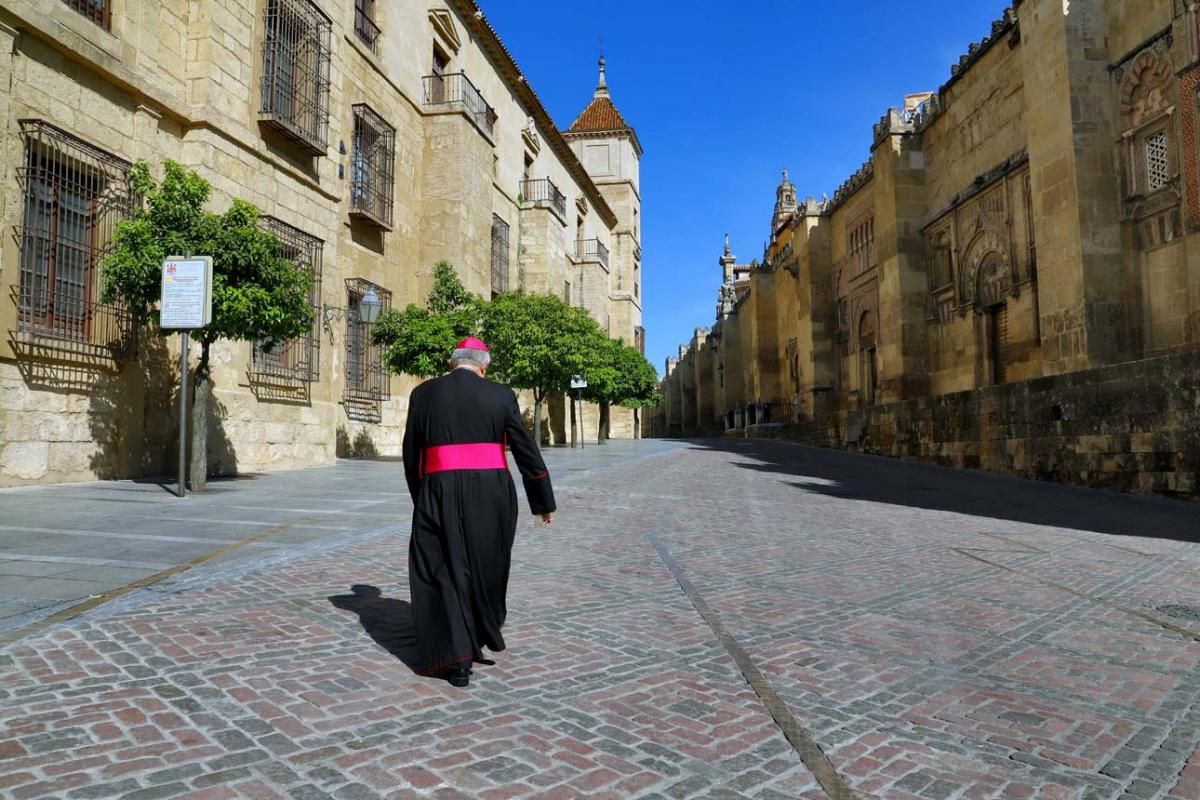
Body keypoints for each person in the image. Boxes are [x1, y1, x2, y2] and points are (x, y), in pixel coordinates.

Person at [402, 336, 556, 687]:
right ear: (483, 367)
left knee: (441, 567)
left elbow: (412, 454)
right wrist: (543, 502)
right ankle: (483, 627)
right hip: (491, 493)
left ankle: (455, 659)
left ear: (451, 362)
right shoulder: (501, 395)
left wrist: (421, 494)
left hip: (437, 488)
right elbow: (524, 450)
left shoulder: (422, 394)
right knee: (486, 563)